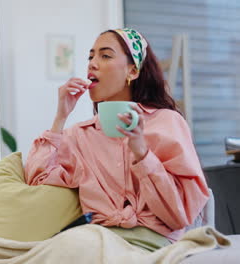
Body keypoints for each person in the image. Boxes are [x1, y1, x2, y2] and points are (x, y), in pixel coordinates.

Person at [25, 28, 209, 250]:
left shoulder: (167, 122)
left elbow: (178, 214)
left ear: (132, 71)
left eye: (105, 55)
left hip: (152, 242)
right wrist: (60, 117)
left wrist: (141, 152)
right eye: (90, 56)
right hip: (94, 240)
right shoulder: (79, 134)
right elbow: (36, 180)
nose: (92, 63)